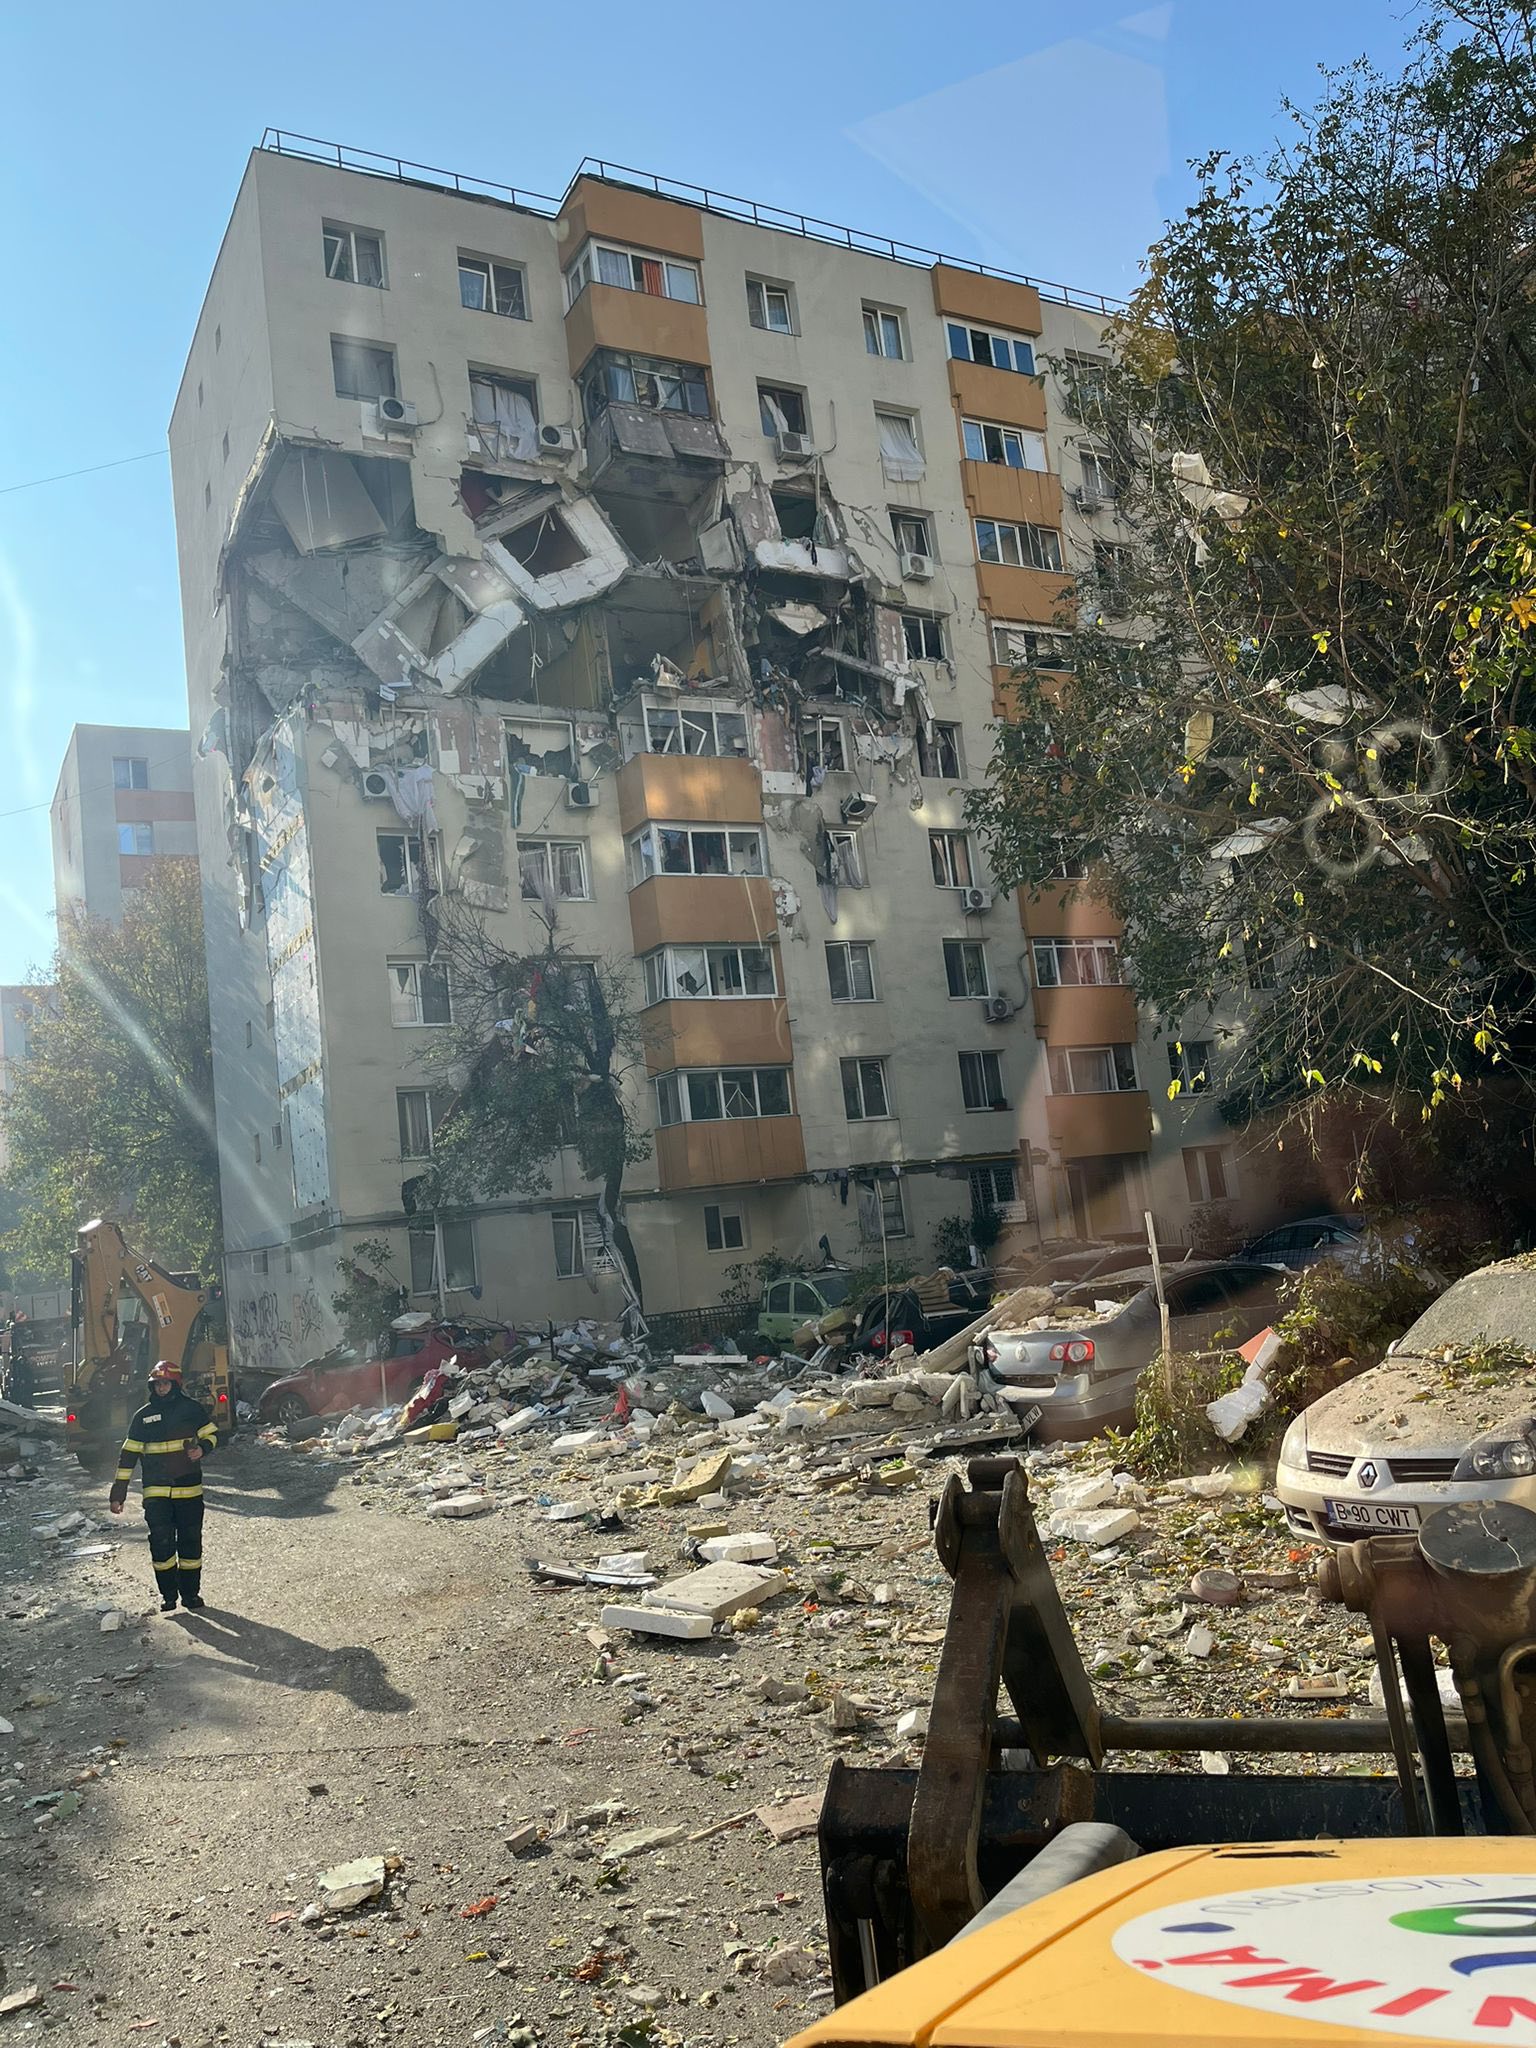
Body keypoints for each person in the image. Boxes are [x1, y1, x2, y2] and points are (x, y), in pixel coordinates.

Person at [108, 1360, 222, 1611]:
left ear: (175, 1384)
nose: (161, 1388)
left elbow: (213, 1433)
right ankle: (168, 1596)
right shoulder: (142, 1417)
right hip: (156, 1492)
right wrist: (118, 1493)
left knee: (190, 1543)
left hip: (189, 1490)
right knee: (161, 1543)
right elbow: (128, 1456)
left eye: (165, 1383)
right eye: (157, 1384)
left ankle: (190, 1595)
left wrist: (202, 1449)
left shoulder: (191, 1409)